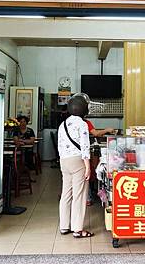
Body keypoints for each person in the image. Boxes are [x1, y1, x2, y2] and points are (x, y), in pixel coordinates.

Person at [58, 95, 94, 238]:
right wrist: (88, 166)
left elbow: (61, 146)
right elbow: (85, 146)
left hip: (64, 161)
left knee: (66, 193)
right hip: (78, 161)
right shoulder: (82, 124)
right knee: (79, 195)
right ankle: (78, 229)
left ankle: (64, 226)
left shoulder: (63, 124)